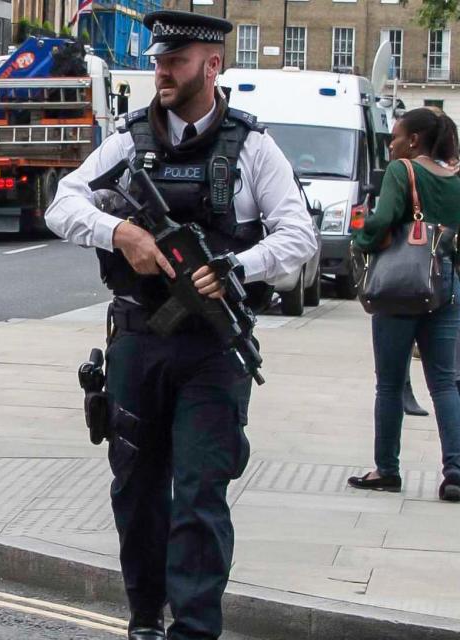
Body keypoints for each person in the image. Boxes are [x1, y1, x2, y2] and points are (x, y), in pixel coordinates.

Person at [46, 10, 317, 640]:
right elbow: (64, 202)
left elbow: (299, 233)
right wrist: (123, 233)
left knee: (199, 495)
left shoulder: (252, 145)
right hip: (138, 342)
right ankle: (145, 619)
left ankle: (194, 629)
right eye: (158, 59)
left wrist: (234, 268)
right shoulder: (128, 139)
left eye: (175, 60)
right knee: (136, 493)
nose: (161, 71)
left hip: (210, 351)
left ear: (212, 65)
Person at [348, 108, 460, 501]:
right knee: (445, 382)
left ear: (413, 140)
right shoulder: (456, 177)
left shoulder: (404, 171)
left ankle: (387, 470)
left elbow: (383, 220)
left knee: (391, 382)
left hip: (403, 282)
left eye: (395, 137)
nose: (391, 144)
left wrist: (359, 242)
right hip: (447, 281)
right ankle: (456, 471)